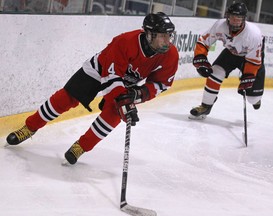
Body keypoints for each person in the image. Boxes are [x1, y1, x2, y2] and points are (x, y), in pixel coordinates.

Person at [6, 12, 179, 165]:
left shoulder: (170, 55)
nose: (167, 41)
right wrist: (122, 99)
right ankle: (30, 127)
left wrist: (138, 95)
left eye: (168, 36)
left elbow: (161, 84)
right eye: (162, 36)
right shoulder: (125, 41)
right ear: (149, 35)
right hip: (98, 70)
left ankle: (81, 146)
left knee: (114, 114)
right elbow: (111, 76)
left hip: (126, 83)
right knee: (65, 98)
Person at [189, 2, 265, 119]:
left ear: (244, 19)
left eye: (238, 18)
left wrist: (248, 77)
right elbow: (203, 41)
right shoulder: (220, 25)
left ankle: (256, 99)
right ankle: (205, 106)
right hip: (231, 53)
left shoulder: (253, 34)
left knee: (252, 99)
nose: (235, 20)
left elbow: (254, 61)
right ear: (227, 16)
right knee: (215, 72)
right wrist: (200, 59)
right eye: (232, 17)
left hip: (250, 59)